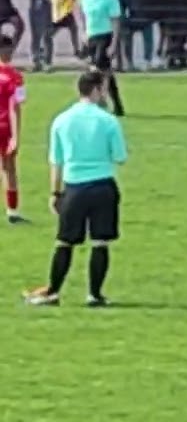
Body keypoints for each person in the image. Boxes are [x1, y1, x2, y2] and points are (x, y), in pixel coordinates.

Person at [24, 71, 126, 306]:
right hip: (102, 185)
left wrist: (55, 192)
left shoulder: (62, 120)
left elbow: (56, 161)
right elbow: (120, 156)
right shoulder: (108, 121)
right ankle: (94, 294)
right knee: (100, 242)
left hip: (74, 188)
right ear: (96, 90)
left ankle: (53, 291)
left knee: (65, 241)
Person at [77, 0, 124, 116]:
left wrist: (114, 44)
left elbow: (115, 20)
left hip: (105, 35)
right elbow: (81, 12)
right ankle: (117, 105)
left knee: (97, 67)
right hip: (91, 36)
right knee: (105, 70)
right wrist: (83, 31)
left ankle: (100, 99)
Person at [0, 35, 26, 223]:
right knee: (9, 168)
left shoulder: (16, 76)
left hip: (5, 127)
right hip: (5, 127)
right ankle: (12, 212)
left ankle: (12, 211)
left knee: (8, 167)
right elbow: (15, 108)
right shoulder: (15, 77)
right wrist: (16, 137)